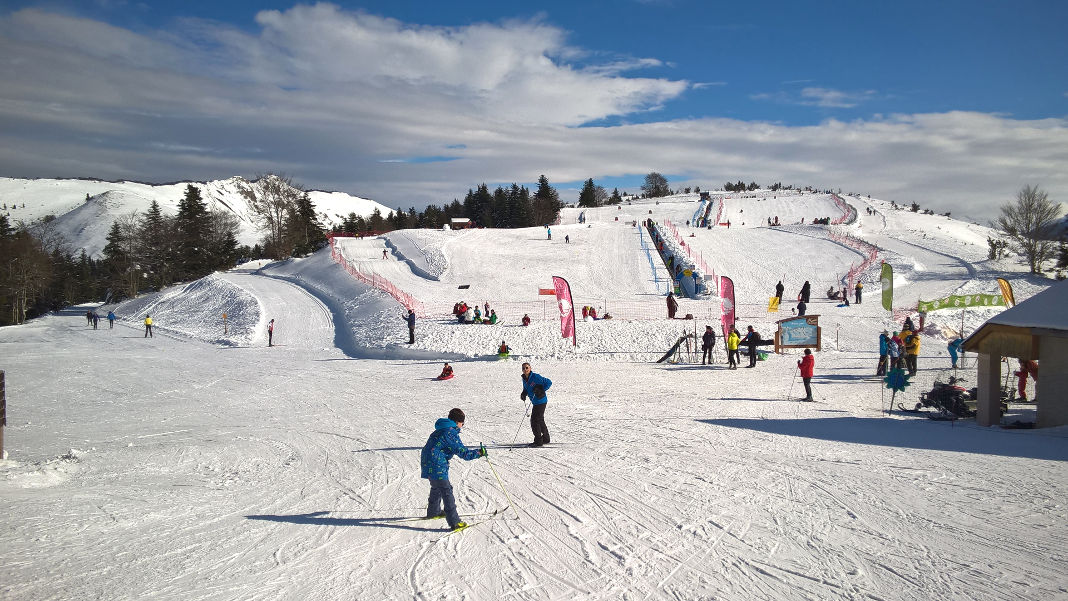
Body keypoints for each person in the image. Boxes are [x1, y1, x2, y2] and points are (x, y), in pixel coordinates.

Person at [420, 408, 486, 531]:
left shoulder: (440, 429)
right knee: (446, 490)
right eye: (462, 424)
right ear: (457, 422)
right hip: (436, 463)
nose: (462, 427)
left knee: (437, 486)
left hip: (427, 461)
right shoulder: (450, 433)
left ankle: (433, 512)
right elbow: (463, 453)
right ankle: (454, 522)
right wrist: (479, 453)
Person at [520, 363, 553, 447]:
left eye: (527, 368)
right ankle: (546, 438)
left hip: (541, 401)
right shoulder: (524, 378)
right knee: (540, 420)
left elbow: (549, 382)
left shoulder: (536, 377)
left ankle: (538, 441)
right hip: (535, 402)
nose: (525, 369)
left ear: (530, 368)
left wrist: (541, 390)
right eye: (523, 368)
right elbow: (526, 388)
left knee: (534, 421)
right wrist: (524, 393)